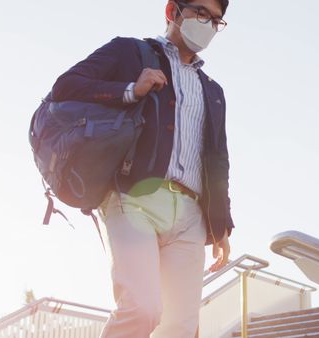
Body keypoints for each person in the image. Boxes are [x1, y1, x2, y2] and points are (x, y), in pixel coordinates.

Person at [51, 0, 234, 336]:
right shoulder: (129, 52)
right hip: (134, 197)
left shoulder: (214, 91)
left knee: (180, 327)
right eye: (200, 12)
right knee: (142, 308)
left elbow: (217, 159)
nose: (208, 24)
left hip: (191, 215)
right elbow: (66, 87)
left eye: (217, 20)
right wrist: (129, 90)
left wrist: (222, 225)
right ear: (172, 11)